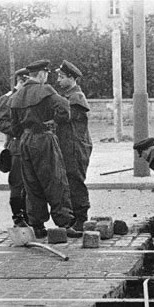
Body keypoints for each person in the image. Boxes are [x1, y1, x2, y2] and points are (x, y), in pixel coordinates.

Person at [9, 59, 82, 239]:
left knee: (31, 184)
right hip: (44, 138)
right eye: (47, 74)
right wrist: (54, 120)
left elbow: (13, 126)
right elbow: (64, 107)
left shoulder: (16, 96)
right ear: (41, 74)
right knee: (56, 181)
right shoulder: (45, 90)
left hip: (25, 141)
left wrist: (24, 132)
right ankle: (64, 223)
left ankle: (37, 225)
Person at [55, 60, 92, 231]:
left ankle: (81, 218)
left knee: (76, 180)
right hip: (67, 144)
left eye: (61, 77)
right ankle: (73, 217)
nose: (58, 80)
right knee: (68, 181)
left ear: (71, 78)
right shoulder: (67, 96)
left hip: (76, 146)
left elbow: (64, 117)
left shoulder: (76, 97)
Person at [0, 67, 29, 227]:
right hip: (16, 147)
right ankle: (18, 218)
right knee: (17, 183)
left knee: (31, 184)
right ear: (21, 81)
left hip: (30, 145)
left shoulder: (28, 97)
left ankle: (29, 216)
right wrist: (18, 128)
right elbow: (1, 123)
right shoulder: (7, 99)